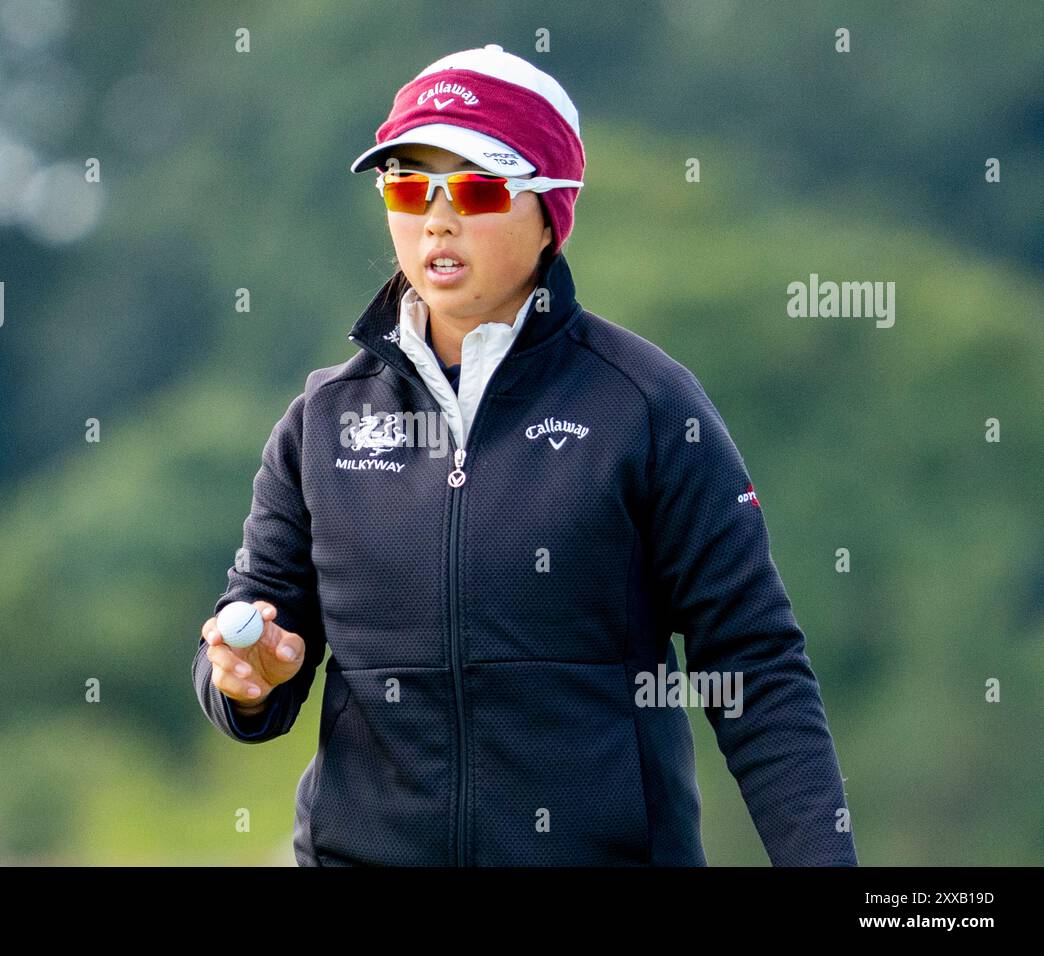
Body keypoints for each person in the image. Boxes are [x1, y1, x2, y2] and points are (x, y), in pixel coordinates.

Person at [193, 44, 857, 867]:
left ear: (551, 211)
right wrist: (242, 677)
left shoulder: (647, 404)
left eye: (474, 186)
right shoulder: (321, 419)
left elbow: (753, 664)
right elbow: (255, 641)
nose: (437, 217)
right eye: (407, 184)